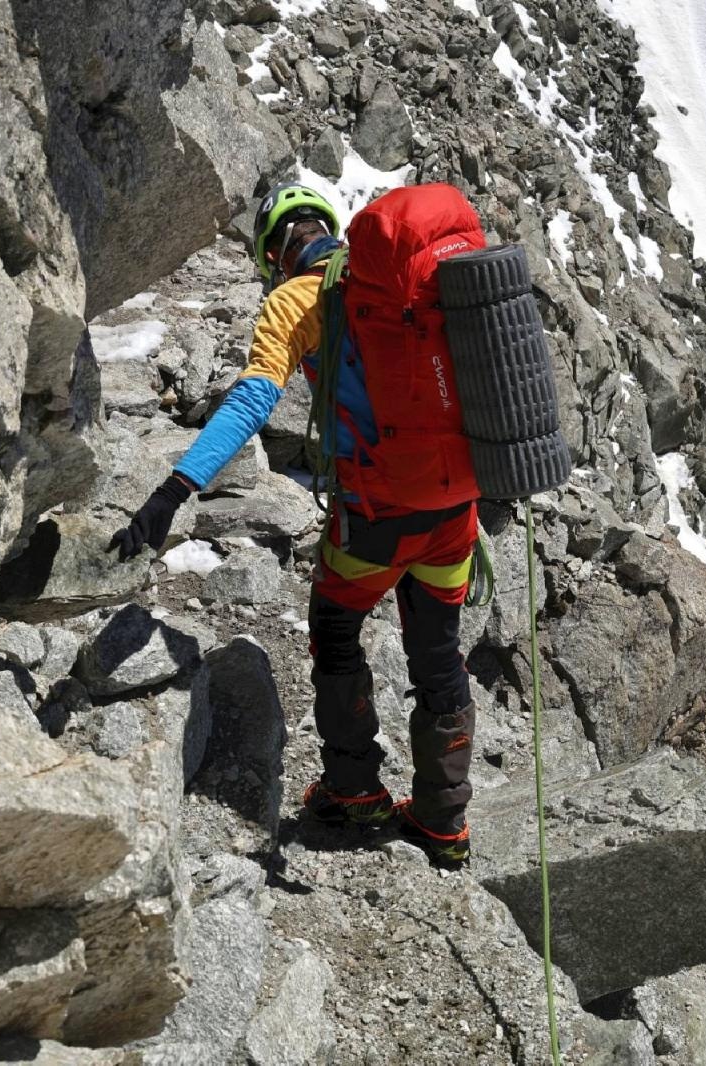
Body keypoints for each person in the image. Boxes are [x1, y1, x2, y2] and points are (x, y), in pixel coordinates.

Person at [108, 183, 477, 868]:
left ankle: (354, 791)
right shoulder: (415, 287)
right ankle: (443, 821)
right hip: (456, 512)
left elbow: (253, 400)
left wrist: (175, 488)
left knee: (336, 632)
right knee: (439, 653)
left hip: (375, 517)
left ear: (275, 253)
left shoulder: (294, 301)